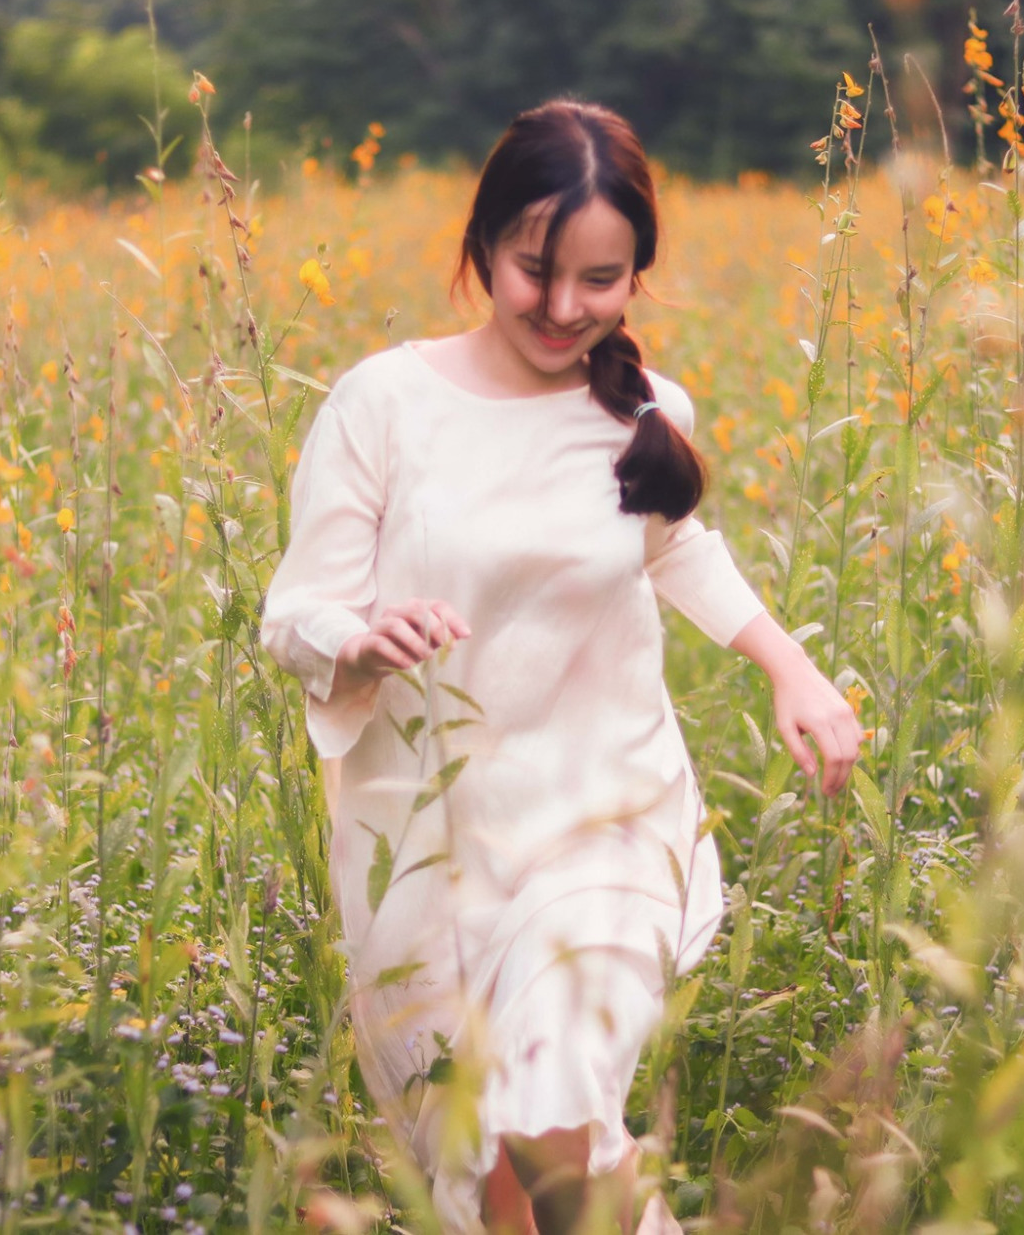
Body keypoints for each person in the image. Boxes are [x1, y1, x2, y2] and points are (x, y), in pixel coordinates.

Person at [259, 99, 860, 1235]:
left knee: (547, 1107)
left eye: (602, 279)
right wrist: (355, 637)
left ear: (637, 274)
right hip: (429, 844)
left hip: (605, 821)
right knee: (493, 1175)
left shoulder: (641, 415)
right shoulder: (383, 404)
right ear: (482, 244)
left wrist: (792, 668)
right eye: (536, 271)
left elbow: (676, 544)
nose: (564, 308)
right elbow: (296, 608)